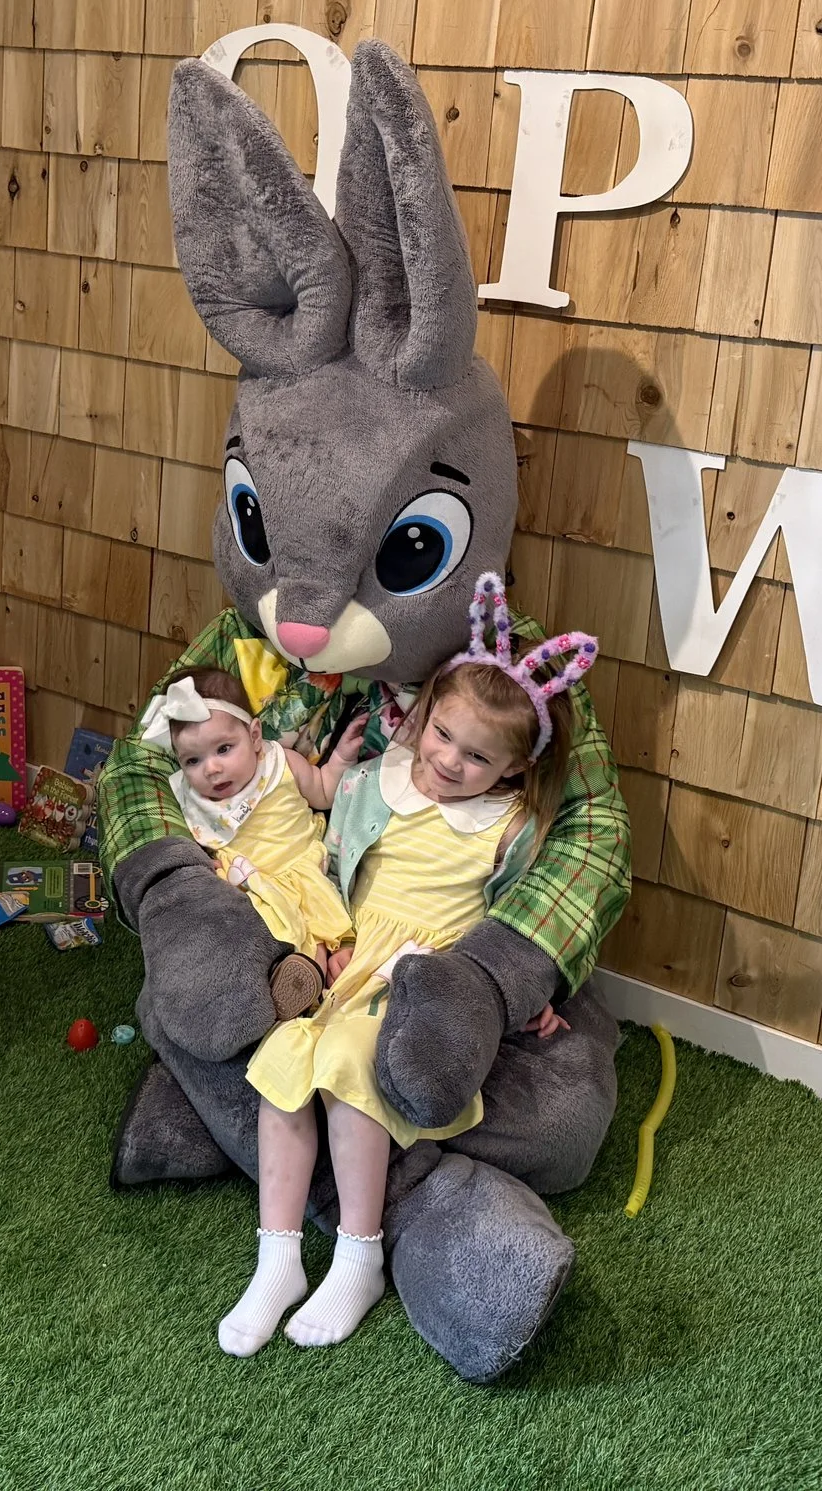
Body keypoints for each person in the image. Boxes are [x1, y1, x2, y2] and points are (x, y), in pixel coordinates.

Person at [216, 575, 598, 1356]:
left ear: (514, 769)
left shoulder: (509, 826)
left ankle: (359, 1253)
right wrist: (325, 939)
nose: (449, 760)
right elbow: (335, 865)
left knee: (352, 1063)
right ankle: (278, 1256)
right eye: (442, 734)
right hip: (355, 958)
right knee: (284, 1060)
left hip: (426, 983)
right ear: (423, 718)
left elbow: (522, 920)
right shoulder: (376, 782)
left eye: (477, 755)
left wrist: (537, 988)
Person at [143, 667, 364, 1022]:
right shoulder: (187, 797)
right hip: (248, 885)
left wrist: (341, 759)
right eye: (193, 761)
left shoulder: (281, 763)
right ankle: (276, 982)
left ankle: (309, 977)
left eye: (224, 749)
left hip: (300, 868)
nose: (211, 769)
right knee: (250, 929)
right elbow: (190, 844)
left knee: (317, 923)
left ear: (255, 736)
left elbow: (323, 792)